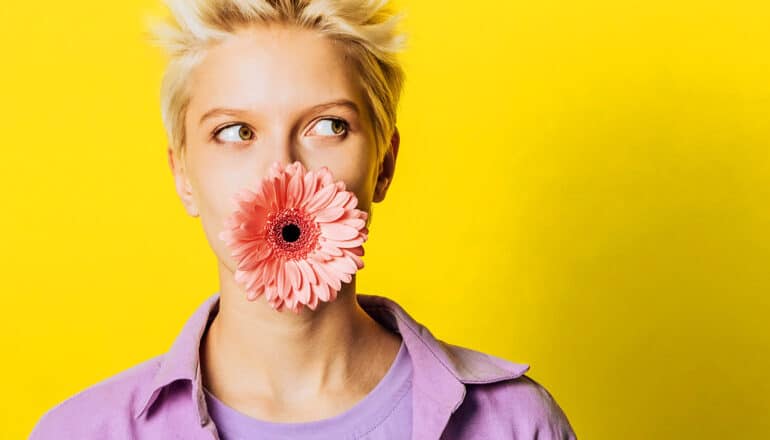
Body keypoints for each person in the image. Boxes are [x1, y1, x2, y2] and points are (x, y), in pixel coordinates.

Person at [29, 0, 577, 438]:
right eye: (236, 132)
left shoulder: (516, 424)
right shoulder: (80, 432)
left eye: (327, 126)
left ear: (384, 164)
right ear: (183, 177)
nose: (282, 174)